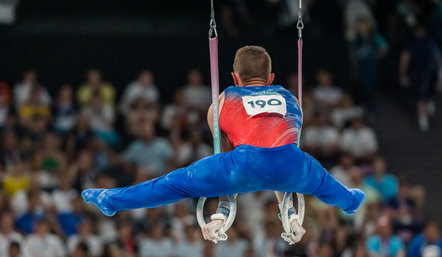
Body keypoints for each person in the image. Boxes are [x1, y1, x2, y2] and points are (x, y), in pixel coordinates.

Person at [82, 46, 365, 244]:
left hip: (242, 165)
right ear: (271, 79)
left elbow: (228, 146)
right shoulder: (291, 99)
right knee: (330, 187)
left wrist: (225, 203)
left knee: (174, 183)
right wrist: (286, 205)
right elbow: (279, 148)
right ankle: (351, 202)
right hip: (293, 165)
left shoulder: (225, 99)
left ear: (234, 78)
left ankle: (112, 200)